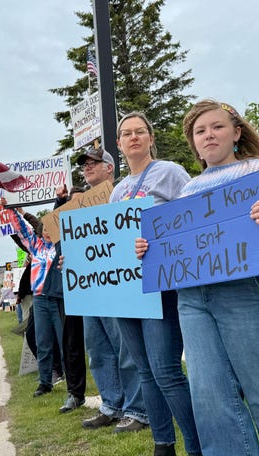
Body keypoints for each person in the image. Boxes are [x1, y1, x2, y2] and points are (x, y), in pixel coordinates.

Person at [137, 100, 259, 456]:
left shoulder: (257, 172)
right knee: (209, 395)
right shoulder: (187, 191)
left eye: (217, 127)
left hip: (242, 292)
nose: (208, 135)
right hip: (191, 299)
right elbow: (175, 244)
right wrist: (149, 248)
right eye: (199, 131)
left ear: (237, 133)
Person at [112, 112, 201, 456]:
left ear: (150, 138)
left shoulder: (170, 173)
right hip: (122, 292)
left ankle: (196, 444)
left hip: (160, 287)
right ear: (119, 144)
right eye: (126, 134)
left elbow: (192, 218)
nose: (133, 137)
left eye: (139, 132)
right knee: (145, 372)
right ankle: (163, 444)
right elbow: (108, 242)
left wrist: (158, 243)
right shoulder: (118, 190)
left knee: (166, 371)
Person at [75, 147, 149, 432]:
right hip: (90, 288)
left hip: (119, 284)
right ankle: (111, 405)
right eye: (85, 165)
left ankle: (137, 409)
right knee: (97, 348)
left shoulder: (124, 195)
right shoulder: (78, 206)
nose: (88, 167)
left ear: (110, 168)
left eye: (95, 163)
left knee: (125, 349)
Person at [5, 204, 63, 397]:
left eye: (50, 229)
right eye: (44, 229)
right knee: (42, 341)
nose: (47, 232)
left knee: (64, 341)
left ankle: (71, 379)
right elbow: (21, 228)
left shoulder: (61, 248)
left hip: (58, 299)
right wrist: (11, 209)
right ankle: (45, 382)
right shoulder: (36, 247)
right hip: (39, 299)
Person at [43, 185, 88, 413]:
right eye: (73, 203)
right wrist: (59, 201)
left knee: (104, 346)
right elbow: (53, 222)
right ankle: (75, 393)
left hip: (98, 289)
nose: (78, 207)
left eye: (83, 203)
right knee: (71, 344)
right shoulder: (64, 228)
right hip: (68, 291)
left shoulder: (97, 224)